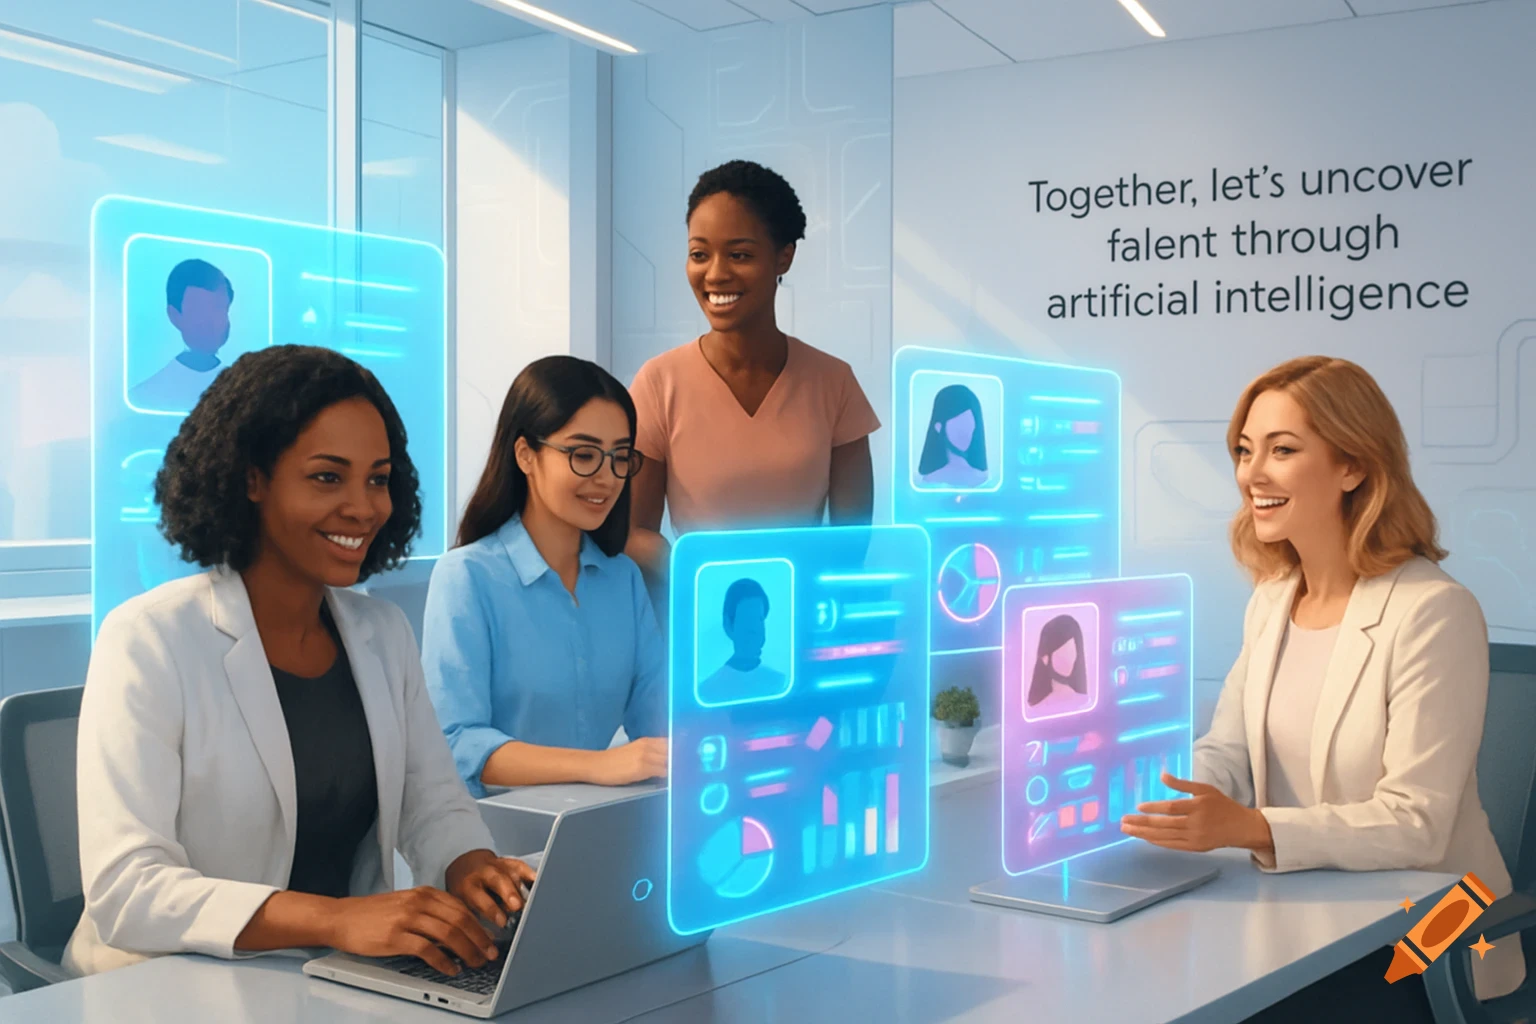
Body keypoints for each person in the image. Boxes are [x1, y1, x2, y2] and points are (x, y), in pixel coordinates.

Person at [68, 345, 535, 980]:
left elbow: (433, 805)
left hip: (331, 977)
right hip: (166, 982)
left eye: (377, 477)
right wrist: (335, 919)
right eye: (327, 477)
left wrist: (473, 865)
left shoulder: (382, 632)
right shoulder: (148, 640)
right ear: (252, 478)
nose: (364, 507)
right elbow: (128, 889)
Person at [1118, 355, 1524, 1017]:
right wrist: (1153, 790)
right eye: (1245, 451)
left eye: (1282, 449)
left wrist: (1248, 827)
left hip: (1433, 929)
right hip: (1308, 907)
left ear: (1353, 466)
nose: (1253, 473)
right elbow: (1231, 754)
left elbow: (1417, 825)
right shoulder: (1273, 599)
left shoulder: (1433, 611)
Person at [626, 159, 881, 584]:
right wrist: (699, 575)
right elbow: (633, 532)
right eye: (699, 254)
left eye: (739, 254)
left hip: (805, 621)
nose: (716, 273)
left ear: (784, 257)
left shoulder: (834, 383)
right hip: (700, 624)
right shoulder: (658, 383)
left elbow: (852, 542)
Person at [422, 356, 667, 797]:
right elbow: (456, 742)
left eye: (619, 457)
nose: (607, 478)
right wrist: (599, 766)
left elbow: (661, 721)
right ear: (525, 455)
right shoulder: (466, 578)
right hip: (494, 848)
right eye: (584, 455)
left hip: (600, 833)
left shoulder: (624, 580)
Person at [129, 258, 234, 413]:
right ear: (174, 315)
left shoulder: (249, 389)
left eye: (219, 308)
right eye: (200, 309)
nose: (211, 320)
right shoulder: (142, 398)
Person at [699, 578, 787, 703]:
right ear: (728, 625)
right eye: (748, 620)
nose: (756, 630)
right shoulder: (707, 692)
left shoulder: (780, 683)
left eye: (760, 620)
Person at [918, 384, 988, 487]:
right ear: (938, 427)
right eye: (959, 426)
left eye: (968, 425)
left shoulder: (983, 479)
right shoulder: (930, 481)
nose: (965, 434)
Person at [1025, 613, 1089, 714]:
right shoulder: (1035, 712)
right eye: (1063, 652)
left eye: (1072, 652)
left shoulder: (1087, 703)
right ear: (1045, 658)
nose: (1069, 660)